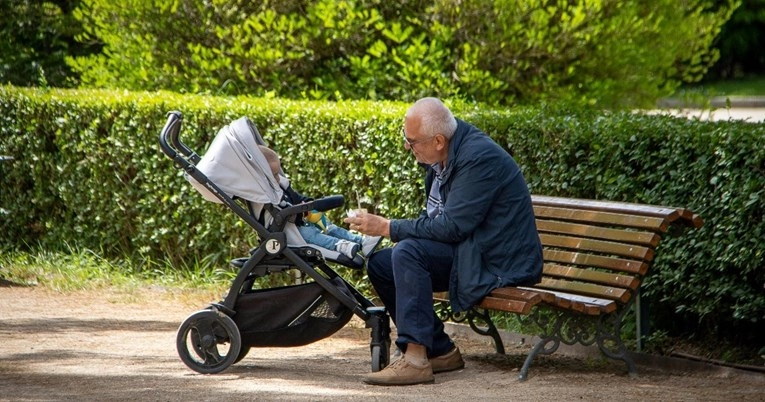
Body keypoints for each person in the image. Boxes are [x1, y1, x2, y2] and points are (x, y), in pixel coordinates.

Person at [344, 97, 543, 385]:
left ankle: (414, 359)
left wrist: (389, 227)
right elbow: (441, 223)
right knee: (381, 263)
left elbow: (451, 227)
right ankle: (440, 350)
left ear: (438, 140)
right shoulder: (443, 154)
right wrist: (393, 230)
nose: (406, 147)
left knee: (408, 251)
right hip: (471, 251)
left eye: (411, 142)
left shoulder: (478, 158)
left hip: (497, 261)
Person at [259, 145, 381, 259]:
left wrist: (310, 204)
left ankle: (360, 241)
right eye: (273, 175)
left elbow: (298, 198)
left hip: (304, 219)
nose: (278, 178)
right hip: (289, 231)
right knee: (310, 234)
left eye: (277, 173)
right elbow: (283, 215)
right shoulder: (266, 197)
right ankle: (339, 245)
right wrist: (300, 212)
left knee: (328, 225)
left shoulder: (281, 186)